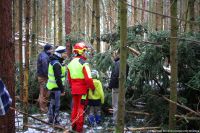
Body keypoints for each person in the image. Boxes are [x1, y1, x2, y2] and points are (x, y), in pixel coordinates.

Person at [67, 42, 95, 132]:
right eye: (84, 51)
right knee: (81, 108)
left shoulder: (70, 63)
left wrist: (72, 87)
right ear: (81, 51)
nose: (85, 53)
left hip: (74, 89)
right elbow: (89, 79)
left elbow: (69, 79)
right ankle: (79, 128)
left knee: (75, 107)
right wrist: (92, 88)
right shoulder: (83, 63)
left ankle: (73, 125)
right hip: (82, 90)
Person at [46, 46, 68, 124]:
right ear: (59, 54)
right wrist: (62, 89)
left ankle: (51, 119)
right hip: (56, 87)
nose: (66, 55)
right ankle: (55, 120)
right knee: (56, 105)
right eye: (64, 53)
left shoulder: (56, 61)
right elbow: (58, 78)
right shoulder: (56, 63)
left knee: (52, 103)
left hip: (53, 87)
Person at [108, 49, 129, 124]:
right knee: (122, 103)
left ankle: (116, 122)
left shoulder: (118, 63)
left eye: (116, 53)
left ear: (119, 54)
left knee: (116, 105)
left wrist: (110, 86)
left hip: (117, 86)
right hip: (123, 86)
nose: (115, 55)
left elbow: (115, 74)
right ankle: (121, 120)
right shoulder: (126, 63)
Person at [37, 43, 53, 112]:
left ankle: (43, 107)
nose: (52, 50)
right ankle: (43, 109)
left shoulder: (45, 54)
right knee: (44, 93)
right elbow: (45, 68)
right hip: (44, 77)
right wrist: (48, 76)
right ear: (48, 49)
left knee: (44, 92)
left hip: (43, 76)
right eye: (51, 49)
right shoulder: (44, 57)